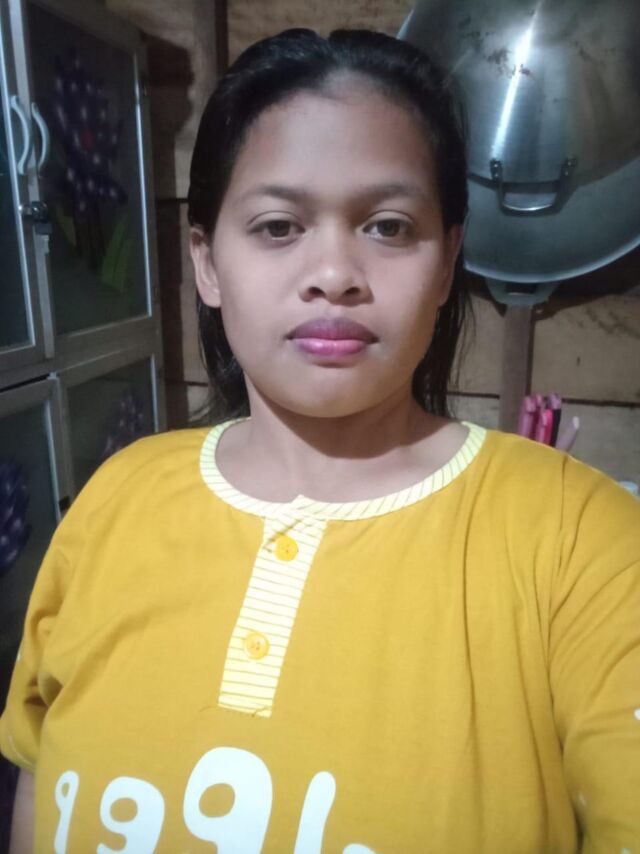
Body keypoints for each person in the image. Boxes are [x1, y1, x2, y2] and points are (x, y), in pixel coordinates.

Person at [2, 27, 639, 853]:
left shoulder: (582, 539)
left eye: (388, 226)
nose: (334, 273)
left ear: (447, 262)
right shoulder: (116, 497)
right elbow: (37, 775)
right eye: (277, 226)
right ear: (208, 263)